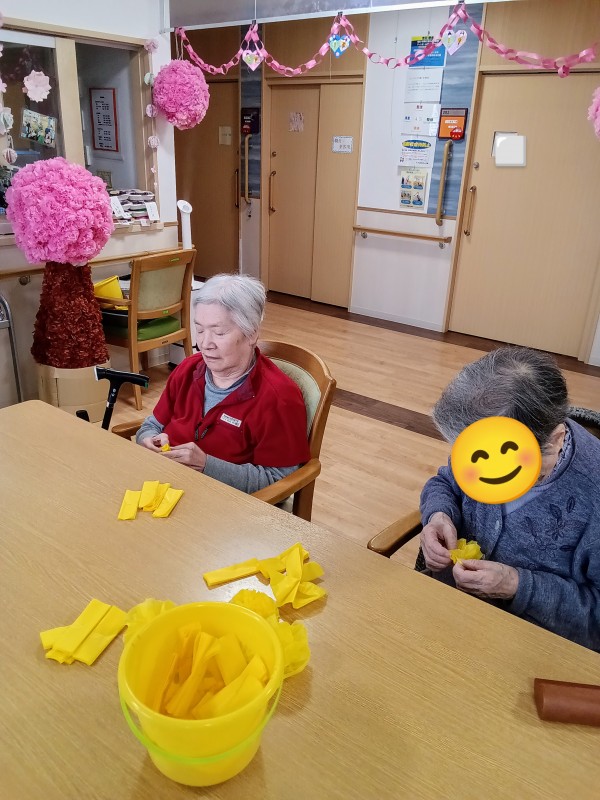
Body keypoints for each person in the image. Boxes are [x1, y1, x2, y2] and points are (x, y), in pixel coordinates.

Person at [419, 346, 600, 650]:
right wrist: (438, 515)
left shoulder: (593, 494)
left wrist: (516, 585)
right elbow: (445, 482)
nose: (481, 468)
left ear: (555, 439)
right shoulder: (487, 443)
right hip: (447, 613)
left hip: (533, 647)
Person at [136, 274, 310, 493]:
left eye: (219, 332)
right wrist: (148, 440)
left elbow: (279, 481)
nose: (204, 344)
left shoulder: (279, 398)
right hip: (164, 484)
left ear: (251, 333)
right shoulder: (188, 369)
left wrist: (207, 465)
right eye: (200, 330)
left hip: (224, 502)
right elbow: (151, 426)